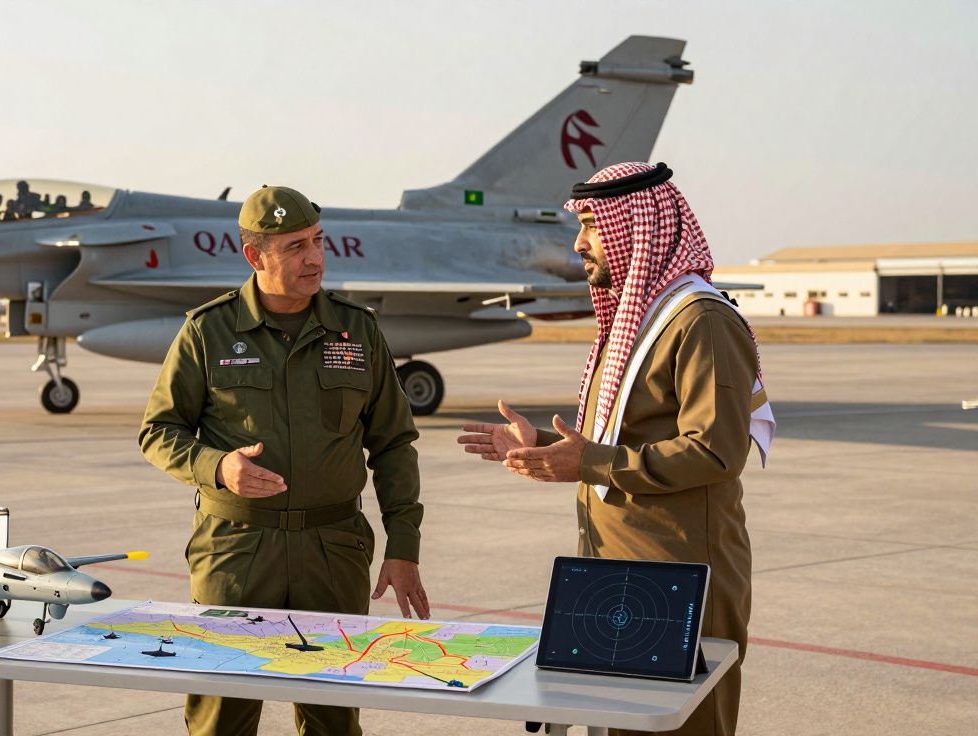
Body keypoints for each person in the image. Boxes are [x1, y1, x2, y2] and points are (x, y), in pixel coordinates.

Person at [457, 162, 774, 736]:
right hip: (617, 574)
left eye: (590, 226)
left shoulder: (700, 322)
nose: (578, 243)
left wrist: (589, 463)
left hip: (681, 575)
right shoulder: (642, 321)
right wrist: (547, 448)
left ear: (640, 227)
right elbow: (623, 439)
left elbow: (717, 451)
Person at [139, 185, 429, 736]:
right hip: (237, 552)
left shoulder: (357, 329)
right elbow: (158, 431)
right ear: (255, 256)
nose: (314, 258)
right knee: (221, 714)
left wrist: (404, 548)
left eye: (318, 241)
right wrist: (217, 468)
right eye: (295, 247)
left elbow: (393, 443)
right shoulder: (208, 330)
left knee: (333, 718)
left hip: (334, 551)